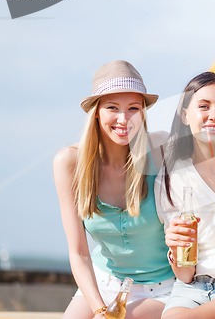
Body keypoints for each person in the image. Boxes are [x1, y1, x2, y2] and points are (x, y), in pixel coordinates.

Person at [53, 60, 174, 319]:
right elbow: (79, 252)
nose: (123, 119)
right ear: (96, 112)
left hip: (163, 289)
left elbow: (214, 150)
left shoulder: (161, 148)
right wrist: (99, 310)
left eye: (133, 108)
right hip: (104, 282)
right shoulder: (69, 163)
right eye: (112, 108)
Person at [154, 72, 215, 319]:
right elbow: (185, 274)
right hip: (191, 288)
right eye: (204, 106)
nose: (214, 116)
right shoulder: (171, 178)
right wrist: (176, 249)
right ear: (185, 114)